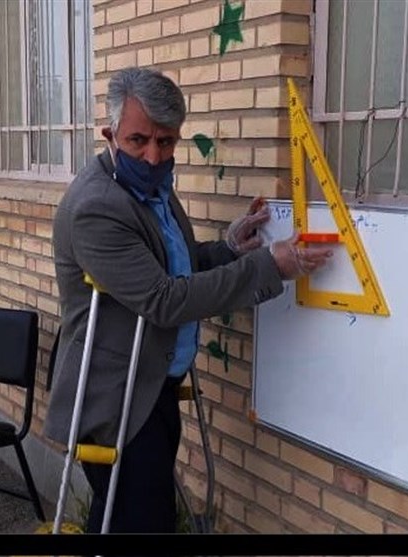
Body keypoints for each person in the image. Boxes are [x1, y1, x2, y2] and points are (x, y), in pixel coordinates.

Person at [44, 67, 333, 533]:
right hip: (116, 395)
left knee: (124, 517)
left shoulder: (152, 188)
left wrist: (230, 249)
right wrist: (269, 267)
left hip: (151, 383)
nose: (153, 156)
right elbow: (163, 299)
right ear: (110, 135)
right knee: (142, 522)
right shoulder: (96, 207)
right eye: (138, 140)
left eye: (166, 142)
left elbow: (171, 265)